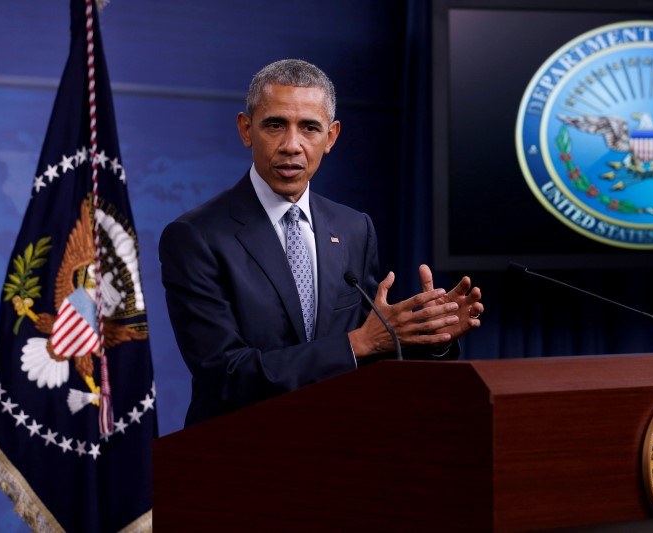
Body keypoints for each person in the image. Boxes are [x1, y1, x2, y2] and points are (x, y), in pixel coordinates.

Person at [159, 59, 483, 427]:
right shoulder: (196, 236)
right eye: (275, 125)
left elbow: (374, 354)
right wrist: (356, 343)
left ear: (331, 137)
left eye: (309, 128)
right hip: (239, 454)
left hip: (337, 449)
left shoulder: (353, 228)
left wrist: (429, 337)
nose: (291, 145)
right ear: (246, 130)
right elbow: (226, 374)